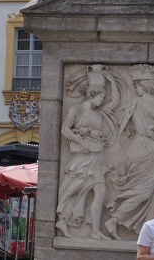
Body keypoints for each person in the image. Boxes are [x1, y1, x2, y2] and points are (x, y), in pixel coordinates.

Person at [107, 65, 154, 238]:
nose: (136, 87)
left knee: (143, 189)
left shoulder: (134, 103)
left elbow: (126, 127)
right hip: (151, 150)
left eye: (138, 84)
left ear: (145, 86)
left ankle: (144, 225)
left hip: (136, 146)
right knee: (144, 191)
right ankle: (115, 218)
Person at [55, 65, 116, 239]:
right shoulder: (76, 110)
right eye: (101, 97)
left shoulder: (99, 114)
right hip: (82, 159)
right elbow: (65, 130)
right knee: (73, 190)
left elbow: (116, 102)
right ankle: (62, 220)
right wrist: (81, 141)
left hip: (97, 159)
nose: (102, 101)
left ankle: (95, 231)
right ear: (93, 94)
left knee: (101, 192)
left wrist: (112, 81)